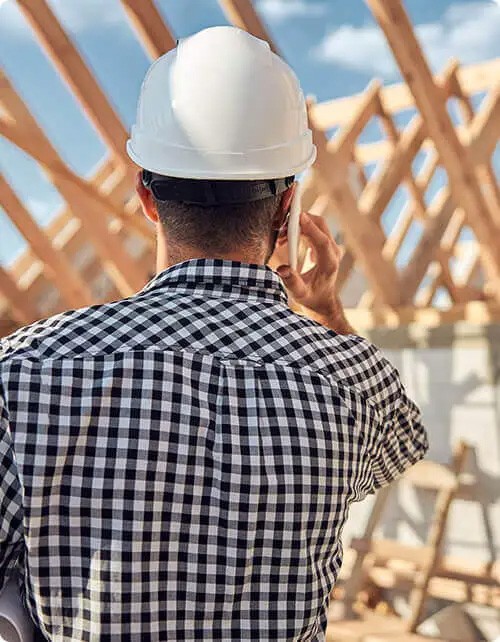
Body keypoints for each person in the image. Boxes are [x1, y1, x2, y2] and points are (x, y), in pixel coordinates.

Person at [0, 26, 428, 642]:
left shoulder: (27, 370)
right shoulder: (351, 380)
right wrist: (329, 314)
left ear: (147, 197)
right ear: (287, 212)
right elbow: (405, 445)